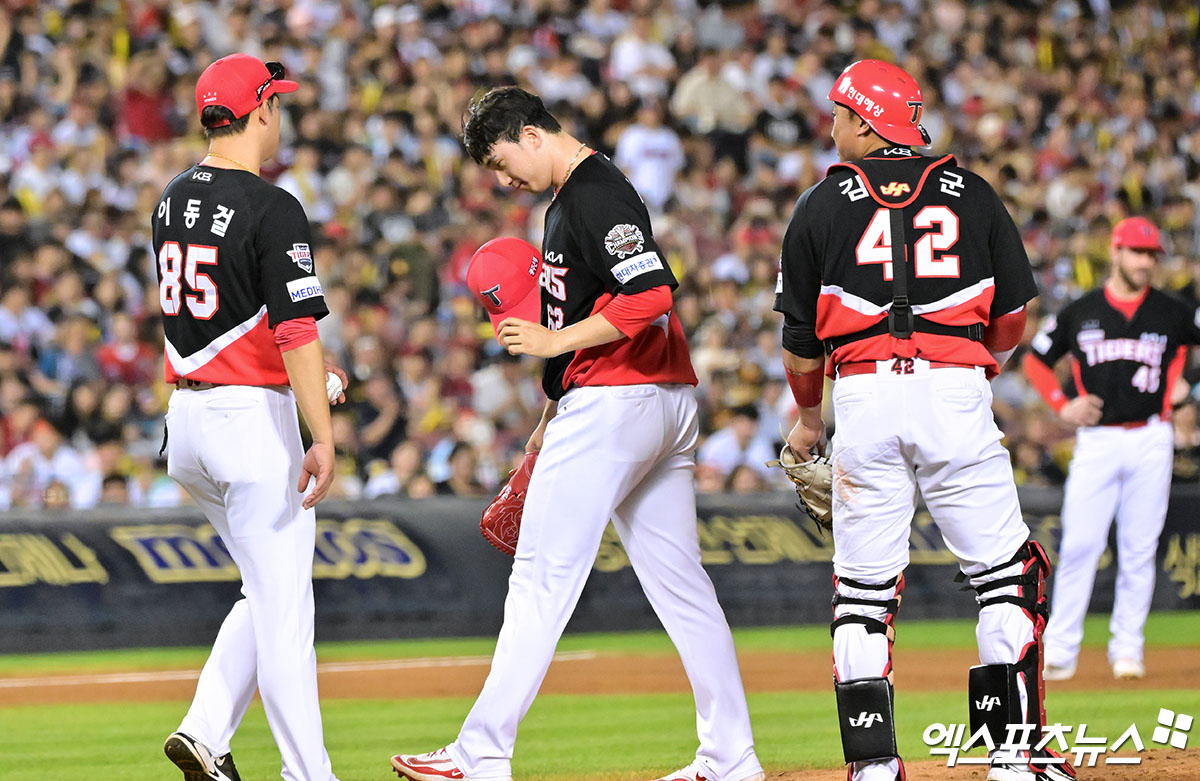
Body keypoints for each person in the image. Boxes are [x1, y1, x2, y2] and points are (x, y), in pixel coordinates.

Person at [390, 86, 764, 781]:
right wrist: (546, 420)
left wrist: (552, 340)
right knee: (682, 586)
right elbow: (604, 307)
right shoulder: (574, 198)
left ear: (532, 135)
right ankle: (731, 754)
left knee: (541, 576)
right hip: (655, 401)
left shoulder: (593, 192)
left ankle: (480, 753)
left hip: (618, 404)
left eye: (501, 162)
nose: (503, 179)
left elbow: (652, 295)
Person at [774, 60, 1075, 781]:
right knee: (1008, 579)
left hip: (862, 398)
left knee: (862, 594)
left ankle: (874, 767)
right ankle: (1015, 757)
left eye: (840, 113)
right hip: (953, 392)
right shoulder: (973, 192)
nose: (834, 126)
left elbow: (799, 340)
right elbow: (1013, 316)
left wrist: (809, 422)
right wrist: (969, 364)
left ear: (867, 121)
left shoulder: (819, 202)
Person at [153, 54, 346, 781]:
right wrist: (322, 433)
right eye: (276, 102)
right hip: (249, 424)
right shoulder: (273, 205)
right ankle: (309, 775)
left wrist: (308, 377)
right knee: (286, 609)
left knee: (264, 590)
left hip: (187, 420)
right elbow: (294, 329)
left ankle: (205, 730)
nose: (279, 114)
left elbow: (229, 321)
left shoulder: (170, 197)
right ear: (261, 109)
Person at [1023, 216, 1198, 682]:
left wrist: (1188, 389)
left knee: (1139, 548)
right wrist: (1061, 405)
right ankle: (1061, 650)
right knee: (1080, 544)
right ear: (1116, 252)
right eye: (1138, 252)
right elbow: (1037, 360)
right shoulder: (1082, 311)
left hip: (1151, 436)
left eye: (1152, 255)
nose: (1146, 262)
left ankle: (1128, 649)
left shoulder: (1172, 311)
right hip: (1097, 439)